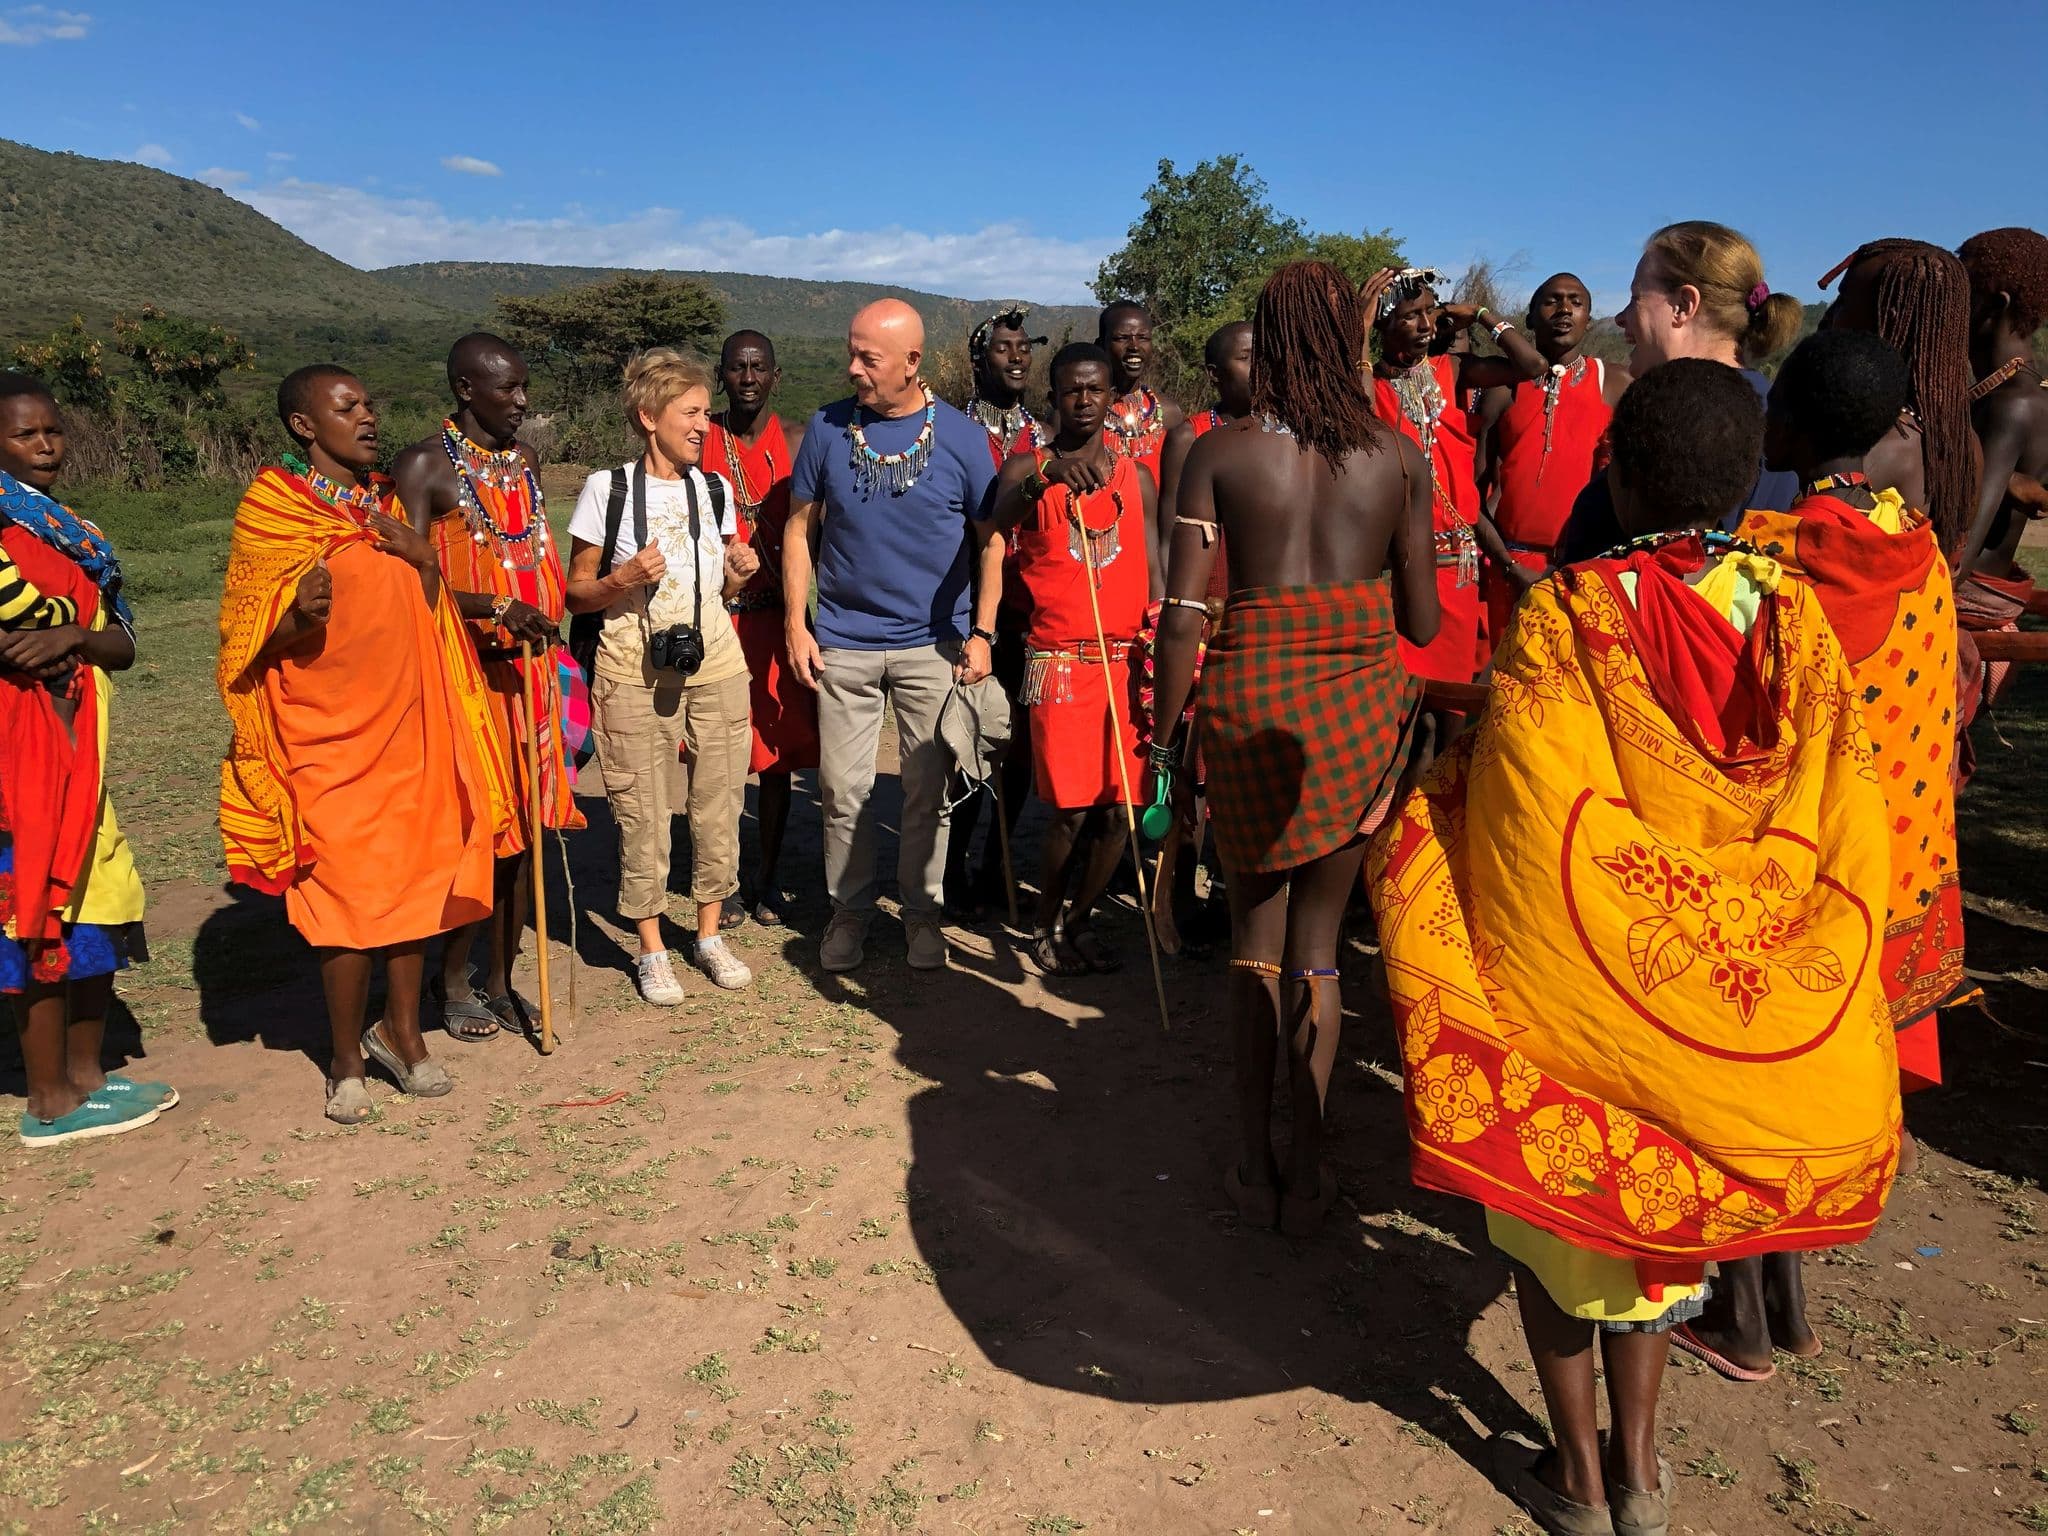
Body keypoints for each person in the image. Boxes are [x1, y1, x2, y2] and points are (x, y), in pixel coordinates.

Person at [1369, 360, 1899, 1536]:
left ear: (1614, 468)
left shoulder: (1573, 612)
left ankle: (1574, 1473)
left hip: (1590, 984)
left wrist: (1433, 793)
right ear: (1737, 482)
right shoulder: (1797, 617)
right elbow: (1835, 804)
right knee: (1658, 1247)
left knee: (1561, 1227)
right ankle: (1642, 1473)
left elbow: (1526, 799)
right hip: (1729, 1007)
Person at [1663, 331, 1966, 1384]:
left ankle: (1741, 1319)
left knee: (1750, 1090)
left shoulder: (1760, 564)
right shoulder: (1914, 544)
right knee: (1808, 1085)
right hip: (1889, 873)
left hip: (1789, 874)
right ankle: (1784, 1307)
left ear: (1779, 429)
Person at [1150, 262, 1438, 1236]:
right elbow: (1424, 622)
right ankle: (1312, 1173)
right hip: (1360, 714)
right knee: (1321, 949)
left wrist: (1163, 740)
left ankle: (1249, 1163)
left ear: (1267, 343)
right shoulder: (1399, 460)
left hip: (1245, 708)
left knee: (1253, 944)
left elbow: (1183, 617)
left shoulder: (1217, 455)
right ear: (1346, 340)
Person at [219, 367, 510, 1123]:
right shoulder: (275, 513)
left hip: (409, 726)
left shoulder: (384, 504)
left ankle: (404, 1035)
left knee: (413, 881)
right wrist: (294, 619)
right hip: (326, 735)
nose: (368, 418)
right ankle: (346, 1057)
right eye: (346, 408)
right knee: (345, 893)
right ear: (303, 427)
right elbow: (242, 641)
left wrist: (421, 557)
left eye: (370, 404)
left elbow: (428, 612)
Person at [783, 299, 1004, 973]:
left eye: (867, 359)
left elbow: (991, 542)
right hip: (844, 641)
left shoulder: (964, 438)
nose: (852, 368)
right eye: (851, 353)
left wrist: (984, 632)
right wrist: (798, 623)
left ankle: (921, 914)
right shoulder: (827, 429)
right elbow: (798, 531)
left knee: (924, 792)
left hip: (934, 645)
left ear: (911, 363)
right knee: (843, 791)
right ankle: (848, 913)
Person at [395, 333, 584, 1046]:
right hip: (461, 679)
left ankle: (501, 981)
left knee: (523, 835)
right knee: (472, 834)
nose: (522, 401)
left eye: (524, 387)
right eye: (507, 390)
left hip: (528, 673)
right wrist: (494, 608)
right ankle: (450, 982)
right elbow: (409, 582)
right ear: (466, 391)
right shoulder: (420, 467)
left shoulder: (524, 463)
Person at [0, 374, 171, 1145]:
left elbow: (122, 645)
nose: (45, 446)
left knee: (100, 897)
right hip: (21, 758)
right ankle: (49, 1101)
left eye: (53, 431)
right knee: (32, 907)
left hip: (85, 756)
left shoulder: (74, 531)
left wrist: (73, 636)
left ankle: (88, 1076)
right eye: (24, 434)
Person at [565, 349, 760, 1002]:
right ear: (650, 417)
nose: (705, 425)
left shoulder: (715, 489)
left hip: (717, 664)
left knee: (719, 803)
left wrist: (739, 572)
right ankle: (651, 947)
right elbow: (576, 593)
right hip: (631, 669)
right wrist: (623, 579)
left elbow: (725, 594)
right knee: (642, 809)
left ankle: (707, 934)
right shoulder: (608, 490)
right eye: (692, 413)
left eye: (707, 413)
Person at [987, 343, 1157, 975]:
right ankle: (1042, 923)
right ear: (1052, 397)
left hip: (1127, 662)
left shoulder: (1136, 478)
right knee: (1069, 809)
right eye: (1070, 390)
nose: (1083, 401)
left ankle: (1077, 918)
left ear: (1112, 396)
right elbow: (990, 528)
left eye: (1095, 389)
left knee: (1119, 811)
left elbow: (1156, 572)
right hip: (1058, 661)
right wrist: (1046, 480)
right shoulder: (1025, 469)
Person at [1556, 221, 1806, 564]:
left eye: (1636, 298)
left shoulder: (1681, 426)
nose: (1620, 318)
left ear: (1683, 306)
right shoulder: (1785, 419)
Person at [1367, 266, 1551, 684]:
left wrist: (1484, 313)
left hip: (1459, 569)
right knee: (1400, 699)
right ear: (1383, 322)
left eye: (1431, 313)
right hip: (1399, 568)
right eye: (1410, 316)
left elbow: (1534, 364)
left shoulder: (1450, 370)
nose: (1426, 326)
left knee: (1450, 703)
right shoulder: (1367, 382)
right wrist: (1360, 329)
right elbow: (1362, 415)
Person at [1145, 320, 1255, 955]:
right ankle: (1178, 901)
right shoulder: (1191, 437)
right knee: (1186, 768)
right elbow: (1169, 537)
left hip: (1256, 618)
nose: (1260, 370)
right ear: (1215, 374)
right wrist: (1169, 619)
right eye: (1245, 359)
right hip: (1199, 616)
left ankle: (1240, 904)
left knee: (1239, 773)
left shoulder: (1281, 435)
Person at [702, 330, 815, 927]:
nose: (747, 378)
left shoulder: (798, 442)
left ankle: (766, 880)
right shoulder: (700, 438)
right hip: (718, 623)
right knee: (715, 760)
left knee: (776, 760)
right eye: (737, 368)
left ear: (776, 375)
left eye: (758, 368)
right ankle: (718, 880)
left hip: (778, 620)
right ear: (722, 374)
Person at [946, 307, 1048, 922]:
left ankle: (997, 864)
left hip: (1029, 612)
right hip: (967, 610)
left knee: (1021, 749)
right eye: (1003, 350)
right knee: (966, 745)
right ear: (980, 360)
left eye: (1022, 350)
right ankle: (955, 864)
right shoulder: (954, 432)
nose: (1016, 359)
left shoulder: (1045, 434)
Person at [1475, 274, 1631, 639]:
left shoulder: (1615, 383)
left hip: (1587, 570)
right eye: (1552, 301)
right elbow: (1471, 491)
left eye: (1576, 303)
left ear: (1588, 319)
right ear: (1529, 318)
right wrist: (1509, 566)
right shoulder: (1501, 389)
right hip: (1508, 567)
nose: (1564, 310)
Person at [1818, 238, 1979, 553]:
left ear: (1890, 316)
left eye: (1844, 301)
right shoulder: (1963, 442)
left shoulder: (1862, 440)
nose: (1830, 317)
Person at [1956, 227, 2048, 708]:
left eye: (1961, 291)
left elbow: (1959, 551)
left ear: (1996, 304)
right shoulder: (2025, 390)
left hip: (1960, 606)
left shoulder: (2010, 405)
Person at [1098, 300, 1185, 487]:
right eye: (1122, 338)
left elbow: (1173, 493)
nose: (1134, 346)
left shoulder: (1169, 413)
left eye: (1143, 337)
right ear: (1100, 344)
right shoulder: (1084, 411)